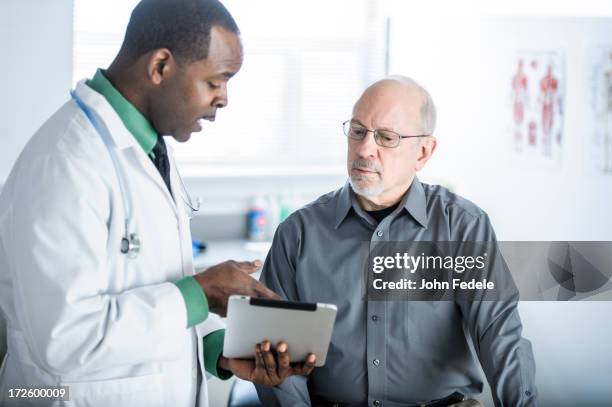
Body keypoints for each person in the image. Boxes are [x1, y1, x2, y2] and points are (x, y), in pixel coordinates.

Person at [0, 1, 314, 406]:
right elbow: (64, 338)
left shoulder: (146, 151)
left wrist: (217, 348)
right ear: (161, 66)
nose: (224, 99)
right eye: (216, 81)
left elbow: (151, 285)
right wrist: (201, 293)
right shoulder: (64, 164)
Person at [256, 76, 537, 406]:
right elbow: (276, 357)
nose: (364, 150)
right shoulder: (298, 234)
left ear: (423, 152)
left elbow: (499, 335)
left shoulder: (463, 227)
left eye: (386, 138)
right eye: (357, 131)